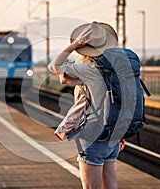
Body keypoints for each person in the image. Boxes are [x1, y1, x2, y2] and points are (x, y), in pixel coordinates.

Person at [48, 21, 121, 189]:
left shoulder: (89, 68)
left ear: (85, 48)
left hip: (94, 136)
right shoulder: (116, 68)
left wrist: (73, 45)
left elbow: (54, 66)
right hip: (114, 136)